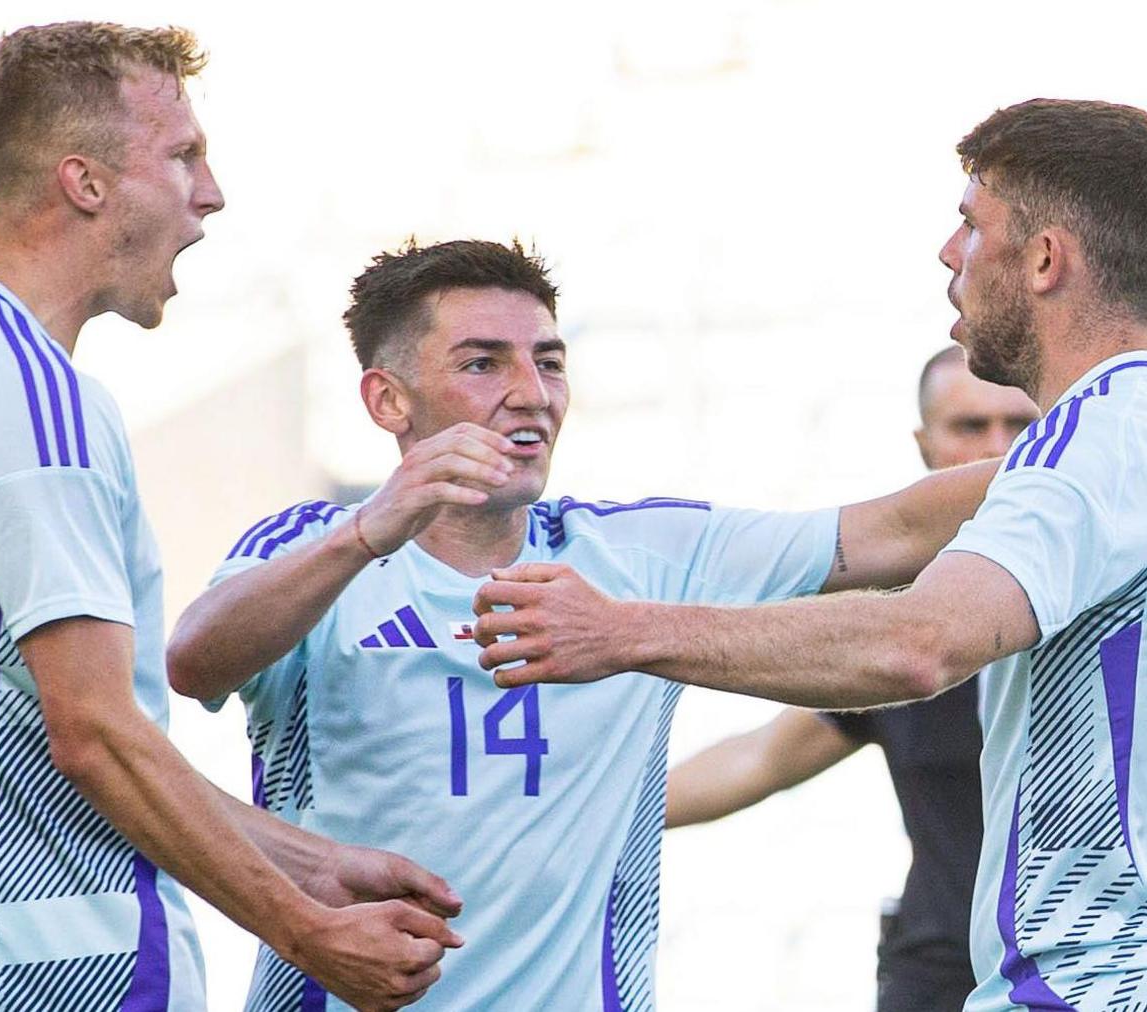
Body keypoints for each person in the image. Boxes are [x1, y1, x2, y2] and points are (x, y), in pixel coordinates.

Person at [477, 99, 1147, 1010]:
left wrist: (623, 632)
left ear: (1044, 260)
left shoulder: (1093, 445)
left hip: (1098, 983)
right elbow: (896, 535)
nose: (950, 254)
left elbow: (917, 643)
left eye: (970, 225)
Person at [165, 238, 1000, 1010]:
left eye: (549, 362)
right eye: (482, 363)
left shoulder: (644, 549)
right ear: (388, 399)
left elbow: (895, 530)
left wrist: (1111, 429)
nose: (530, 394)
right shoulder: (310, 552)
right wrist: (371, 529)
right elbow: (194, 663)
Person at [0, 23, 460, 1011]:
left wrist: (312, 864)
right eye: (183, 156)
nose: (210, 193)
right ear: (85, 184)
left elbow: (61, 734)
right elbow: (95, 735)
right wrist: (306, 932)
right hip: (69, 961)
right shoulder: (31, 401)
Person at [664, 345, 1039, 1011]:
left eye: (1020, 424)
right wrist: (582, 807)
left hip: (1085, 973)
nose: (997, 449)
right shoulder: (898, 622)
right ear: (925, 447)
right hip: (941, 976)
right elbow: (758, 758)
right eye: (970, 427)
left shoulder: (1109, 594)